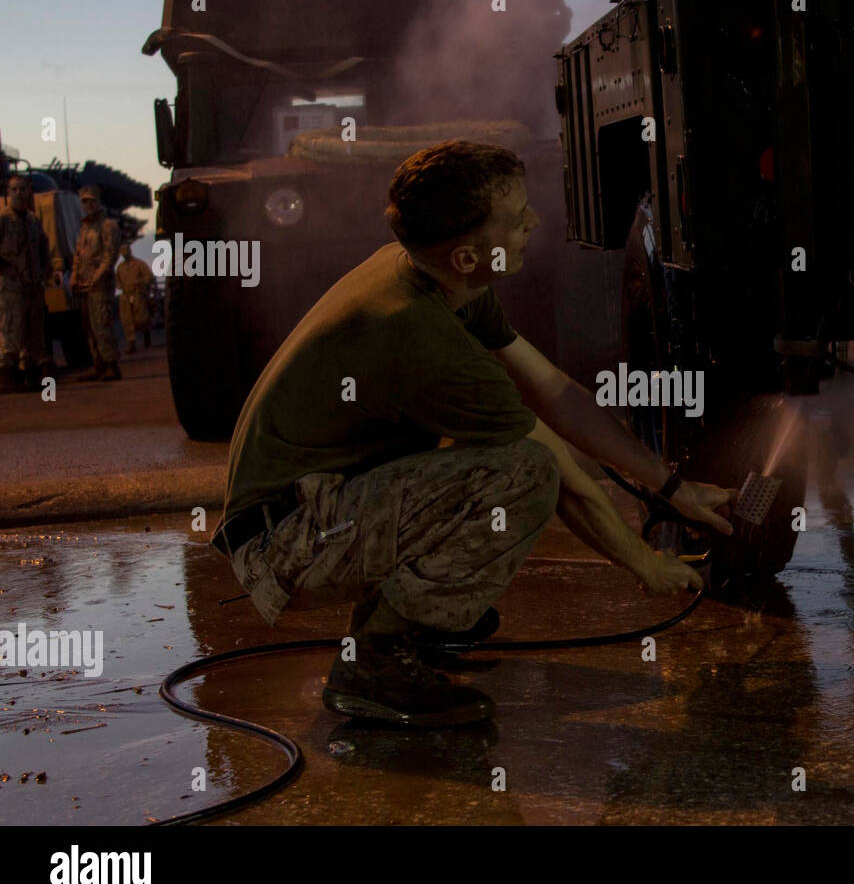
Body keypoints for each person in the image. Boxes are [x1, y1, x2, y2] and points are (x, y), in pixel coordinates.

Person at [213, 140, 734, 727]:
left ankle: (421, 618)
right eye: (515, 221)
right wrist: (646, 564)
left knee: (511, 460)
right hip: (283, 543)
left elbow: (556, 392)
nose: (533, 223)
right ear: (466, 256)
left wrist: (672, 488)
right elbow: (562, 478)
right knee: (523, 471)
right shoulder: (418, 333)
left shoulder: (433, 275)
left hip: (311, 506)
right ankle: (378, 662)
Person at [0, 175, 53, 393]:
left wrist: (44, 271)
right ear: (8, 193)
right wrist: (7, 270)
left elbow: (43, 245)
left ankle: (31, 374)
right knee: (11, 331)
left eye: (23, 189)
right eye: (15, 189)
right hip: (10, 287)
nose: (20, 193)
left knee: (34, 332)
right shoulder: (2, 219)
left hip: (32, 285)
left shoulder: (33, 220)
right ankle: (6, 377)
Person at [69, 185, 122, 382]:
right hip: (85, 286)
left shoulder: (108, 226)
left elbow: (110, 257)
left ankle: (112, 365)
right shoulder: (84, 228)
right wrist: (75, 277)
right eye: (84, 201)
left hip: (100, 286)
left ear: (98, 201)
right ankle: (98, 364)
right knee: (89, 327)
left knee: (102, 325)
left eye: (91, 200)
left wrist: (96, 279)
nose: (88, 205)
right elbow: (78, 255)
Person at [116, 244, 153, 353]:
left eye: (126, 251)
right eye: (122, 252)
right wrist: (120, 286)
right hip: (126, 296)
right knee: (127, 320)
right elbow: (117, 281)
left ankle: (146, 335)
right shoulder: (120, 267)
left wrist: (140, 282)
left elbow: (149, 276)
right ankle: (131, 343)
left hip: (138, 294)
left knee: (142, 318)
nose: (125, 254)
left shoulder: (139, 264)